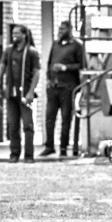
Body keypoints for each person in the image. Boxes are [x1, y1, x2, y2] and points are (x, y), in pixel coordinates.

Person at [0, 24, 40, 163]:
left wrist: (31, 92)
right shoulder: (8, 50)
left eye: (17, 33)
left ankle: (29, 155)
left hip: (25, 94)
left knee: (27, 125)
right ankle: (14, 154)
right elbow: (1, 67)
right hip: (11, 93)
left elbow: (36, 72)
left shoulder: (31, 52)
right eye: (13, 33)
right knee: (13, 125)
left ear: (24, 35)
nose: (14, 35)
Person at [40, 20, 85, 158]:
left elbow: (82, 65)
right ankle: (49, 146)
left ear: (69, 30)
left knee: (66, 118)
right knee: (49, 117)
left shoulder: (77, 45)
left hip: (68, 87)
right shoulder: (55, 44)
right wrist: (48, 79)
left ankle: (63, 147)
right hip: (53, 86)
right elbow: (49, 63)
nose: (60, 31)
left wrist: (65, 67)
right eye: (59, 29)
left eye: (63, 29)